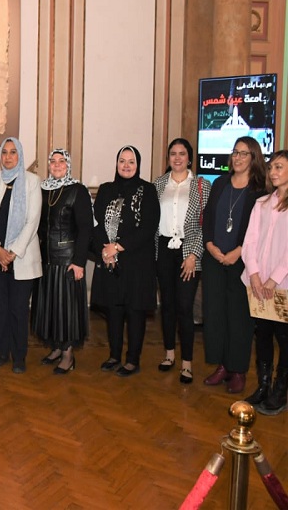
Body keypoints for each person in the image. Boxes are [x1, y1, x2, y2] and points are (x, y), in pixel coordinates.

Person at [202, 136, 266, 394]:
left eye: (244, 153)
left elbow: (258, 231)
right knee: (215, 314)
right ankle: (222, 365)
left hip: (243, 262)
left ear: (254, 159)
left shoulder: (260, 191)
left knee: (239, 317)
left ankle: (238, 369)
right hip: (214, 258)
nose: (238, 158)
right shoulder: (219, 183)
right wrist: (210, 245)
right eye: (235, 152)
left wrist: (238, 252)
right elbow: (207, 218)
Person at [91, 145, 159, 377]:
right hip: (110, 261)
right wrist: (106, 251)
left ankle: (132, 359)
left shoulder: (148, 190)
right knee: (114, 310)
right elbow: (97, 223)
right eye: (122, 160)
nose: (126, 165)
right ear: (116, 163)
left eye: (131, 161)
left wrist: (118, 247)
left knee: (134, 311)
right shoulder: (105, 189)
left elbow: (149, 227)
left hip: (136, 262)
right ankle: (114, 355)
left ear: (138, 165)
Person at [0, 137, 41, 373]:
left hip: (21, 259)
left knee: (18, 309)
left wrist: (12, 253)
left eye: (13, 152)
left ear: (20, 155)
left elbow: (32, 221)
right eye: (4, 152)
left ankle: (19, 357)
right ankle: (2, 352)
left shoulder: (32, 182)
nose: (8, 157)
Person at [153, 138, 210, 385]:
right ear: (168, 158)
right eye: (173, 154)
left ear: (189, 158)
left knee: (185, 308)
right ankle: (169, 355)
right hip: (164, 250)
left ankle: (187, 363)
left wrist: (194, 255)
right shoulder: (158, 185)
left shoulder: (201, 185)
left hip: (189, 251)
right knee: (167, 306)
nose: (177, 158)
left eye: (182, 153)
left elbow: (205, 226)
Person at [33, 148, 92, 375]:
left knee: (66, 310)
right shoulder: (42, 190)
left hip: (68, 261)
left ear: (68, 164)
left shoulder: (78, 190)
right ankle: (56, 348)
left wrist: (78, 262)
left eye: (61, 161)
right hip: (46, 260)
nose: (57, 165)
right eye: (53, 161)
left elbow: (86, 229)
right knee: (50, 308)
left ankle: (68, 355)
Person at [241, 149, 288, 415]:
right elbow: (250, 243)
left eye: (279, 167)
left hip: (282, 285)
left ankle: (280, 389)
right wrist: (256, 276)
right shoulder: (261, 204)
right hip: (258, 284)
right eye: (271, 168)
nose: (273, 172)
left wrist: (273, 280)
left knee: (284, 338)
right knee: (263, 335)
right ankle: (263, 386)